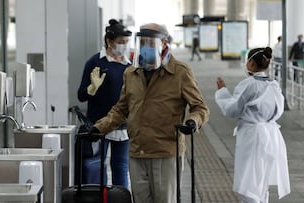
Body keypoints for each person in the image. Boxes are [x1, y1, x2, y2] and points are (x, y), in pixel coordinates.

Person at [90, 23, 209, 203]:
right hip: (137, 151)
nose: (145, 48)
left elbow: (200, 107)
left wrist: (193, 121)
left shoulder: (180, 73)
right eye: (142, 43)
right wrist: (98, 128)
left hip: (165, 152)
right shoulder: (131, 73)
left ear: (164, 44)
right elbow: (121, 109)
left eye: (150, 44)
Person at [215, 47, 291, 203]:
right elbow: (278, 111)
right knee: (262, 183)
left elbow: (232, 109)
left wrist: (222, 92)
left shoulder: (248, 85)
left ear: (250, 63)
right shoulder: (274, 85)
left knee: (248, 183)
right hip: (271, 136)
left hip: (252, 137)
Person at [77, 19, 132, 188]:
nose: (123, 46)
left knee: (121, 168)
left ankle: (120, 199)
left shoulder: (128, 66)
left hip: (122, 126)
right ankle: (99, 198)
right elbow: (81, 96)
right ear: (109, 41)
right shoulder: (95, 63)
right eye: (120, 42)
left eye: (126, 43)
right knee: (97, 167)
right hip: (99, 125)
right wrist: (92, 88)